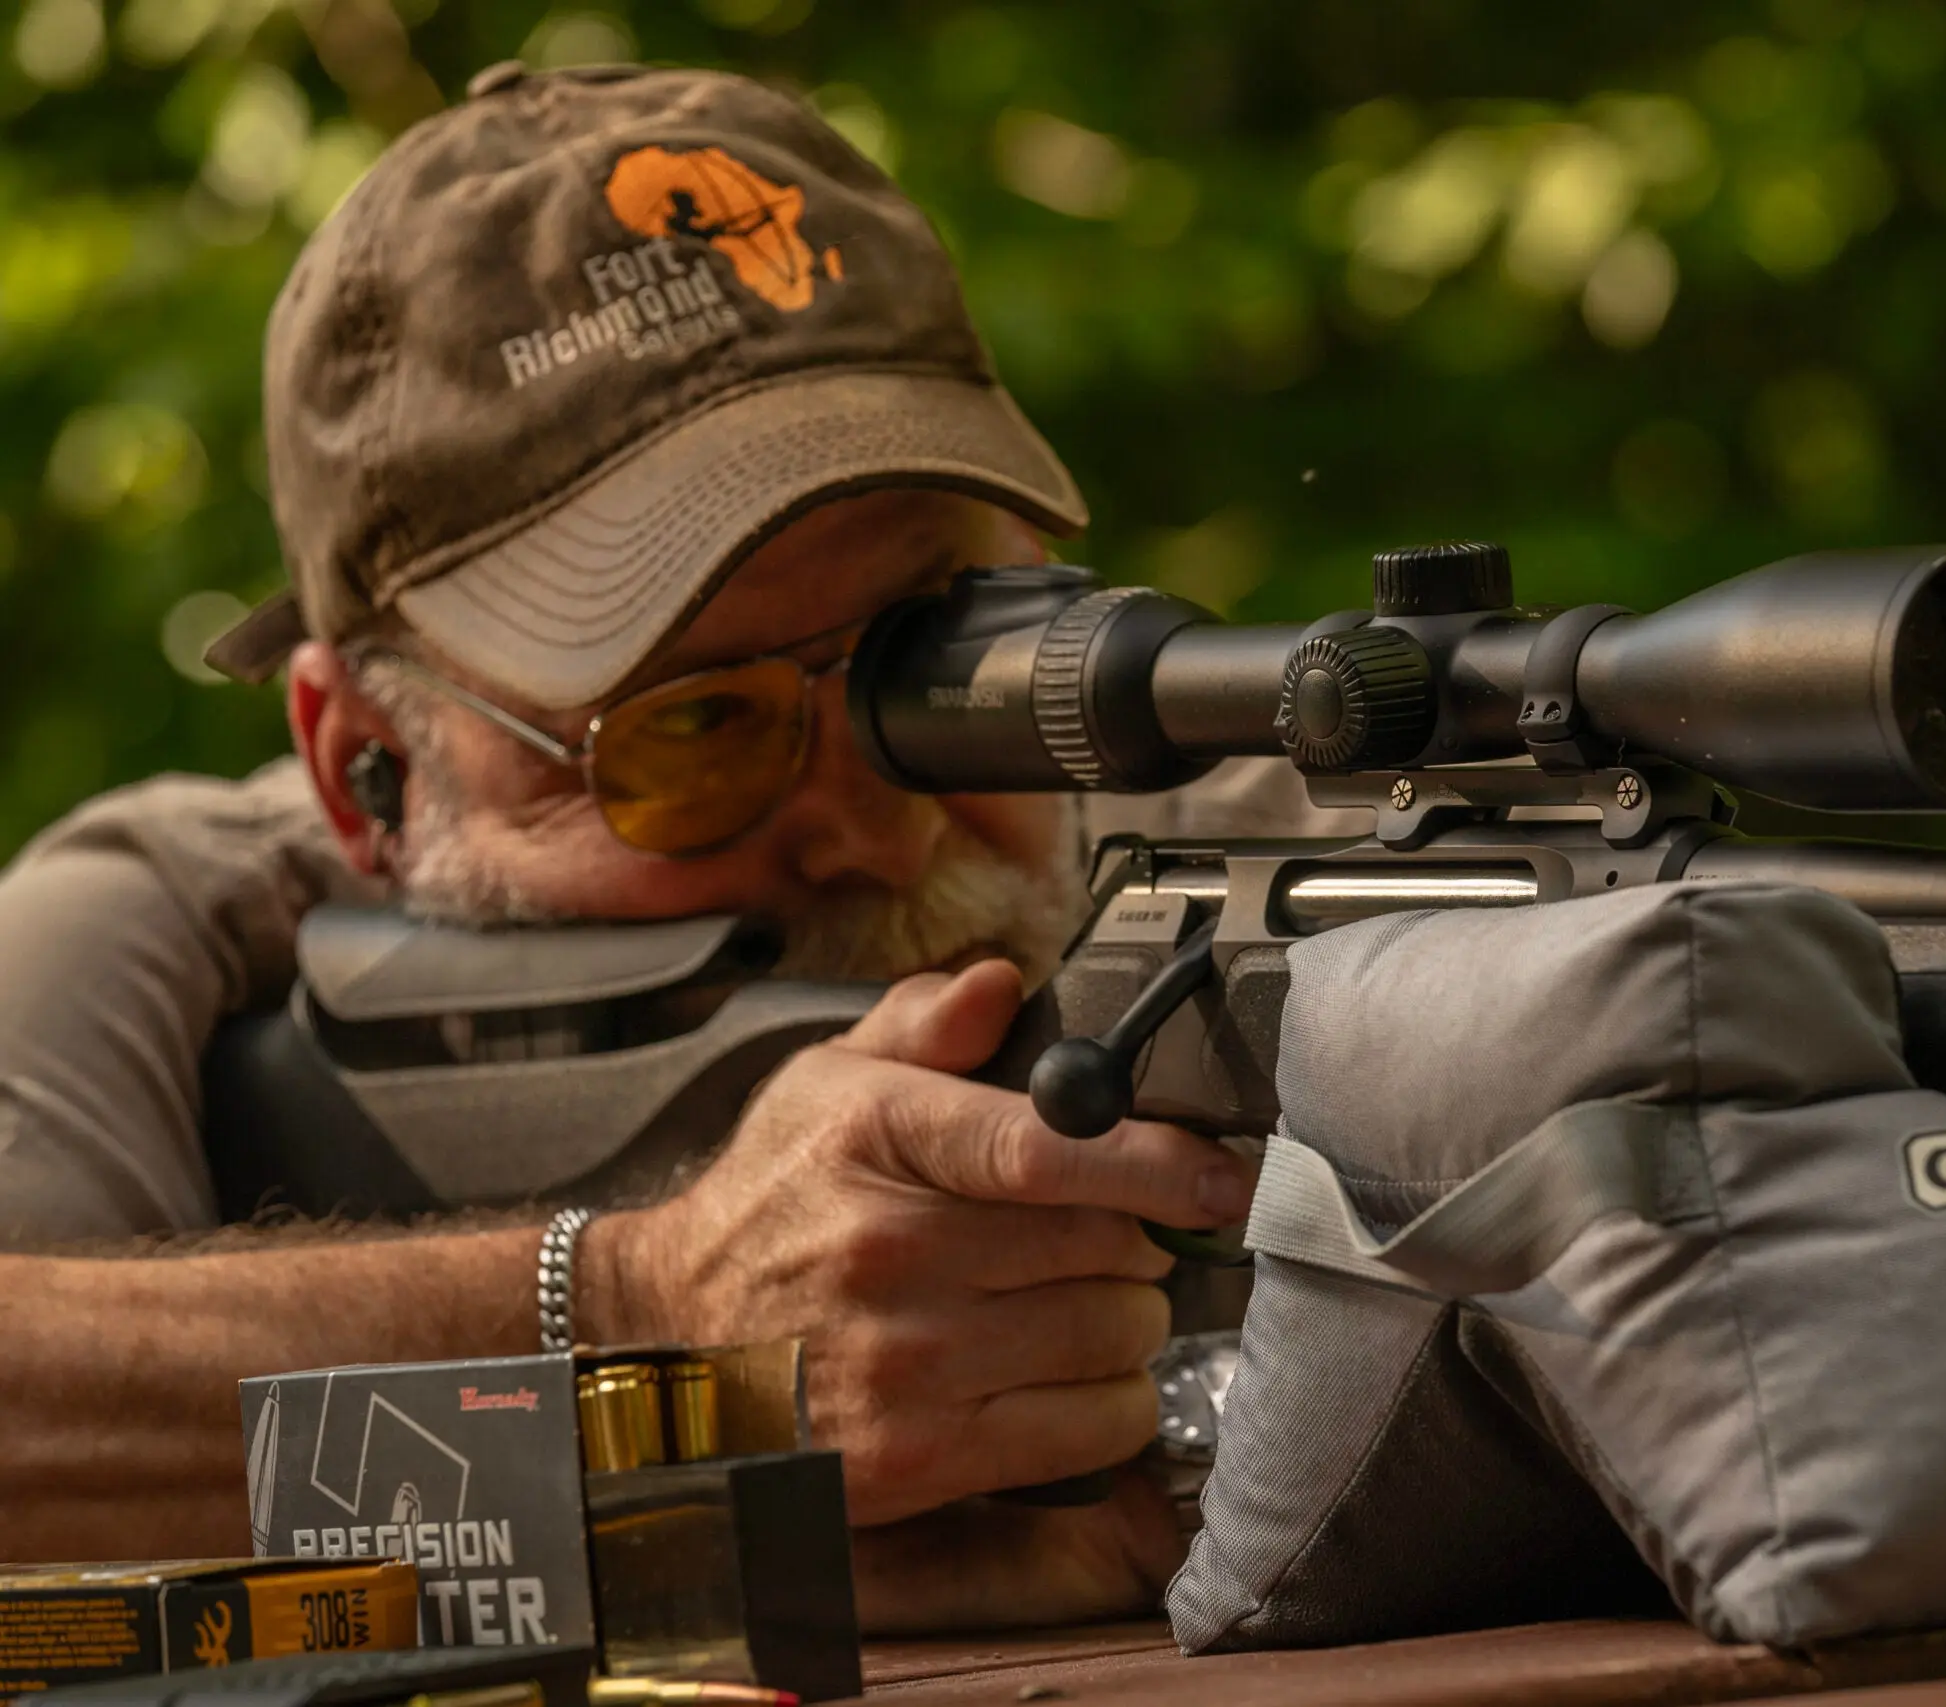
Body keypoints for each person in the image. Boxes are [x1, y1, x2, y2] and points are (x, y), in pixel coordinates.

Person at [0, 61, 1352, 1629]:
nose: (872, 820)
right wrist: (653, 1337)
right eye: (694, 729)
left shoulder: (1289, 862)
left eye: (938, 658)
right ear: (367, 766)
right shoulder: (163, 926)